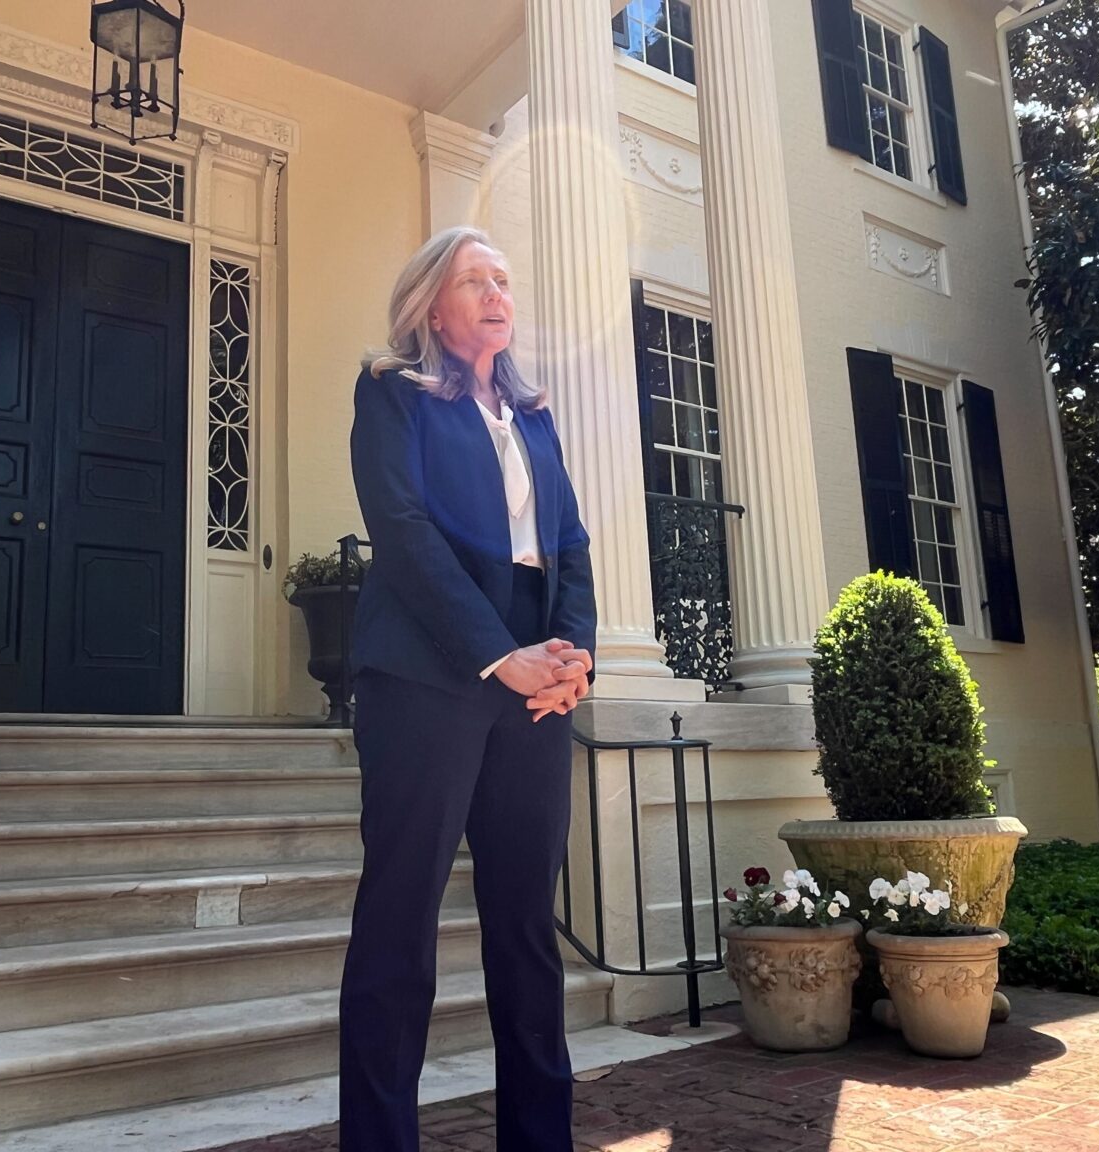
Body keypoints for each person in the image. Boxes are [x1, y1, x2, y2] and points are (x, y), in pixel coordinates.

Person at [338, 225, 598, 1151]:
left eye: (505, 281)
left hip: (536, 683)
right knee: (400, 919)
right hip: (426, 674)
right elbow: (402, 532)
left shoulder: (533, 414)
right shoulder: (393, 395)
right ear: (430, 305)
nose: (498, 295)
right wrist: (498, 654)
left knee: (526, 926)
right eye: (475, 281)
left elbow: (568, 542)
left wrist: (575, 656)